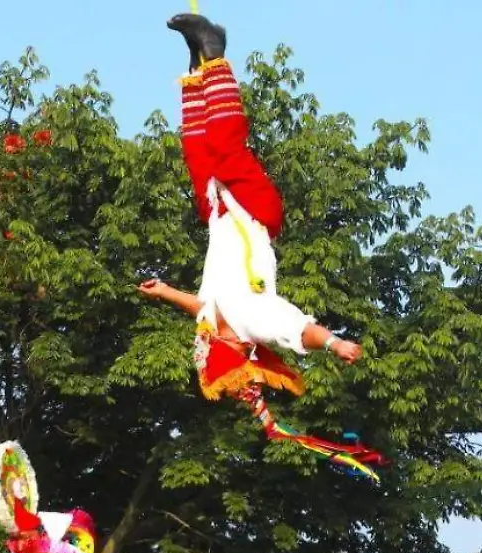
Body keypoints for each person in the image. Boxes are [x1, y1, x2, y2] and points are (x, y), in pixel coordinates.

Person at [137, 12, 383, 480]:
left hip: (220, 211)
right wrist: (335, 344)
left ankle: (196, 68)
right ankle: (216, 52)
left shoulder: (214, 316)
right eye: (213, 348)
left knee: (195, 148)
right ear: (233, 346)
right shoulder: (253, 319)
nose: (206, 342)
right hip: (252, 210)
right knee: (226, 146)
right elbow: (300, 329)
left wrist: (163, 291)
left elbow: (197, 306)